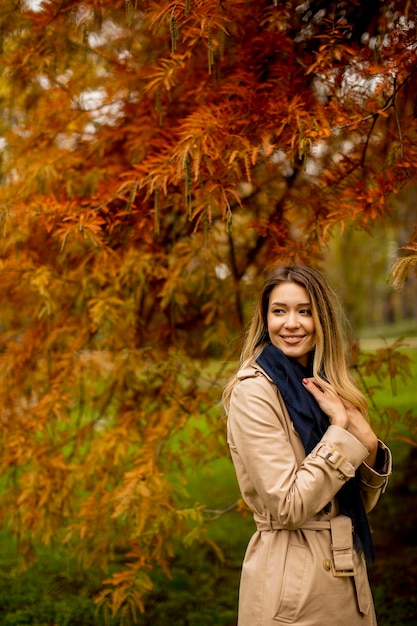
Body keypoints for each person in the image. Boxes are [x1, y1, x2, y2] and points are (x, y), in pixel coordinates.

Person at [223, 263, 392, 626]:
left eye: (304, 311)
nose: (291, 323)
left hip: (347, 575)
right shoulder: (254, 392)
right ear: (265, 318)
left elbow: (351, 500)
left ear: (322, 319)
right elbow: (289, 506)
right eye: (279, 311)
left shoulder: (322, 386)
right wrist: (341, 431)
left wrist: (367, 444)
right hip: (293, 585)